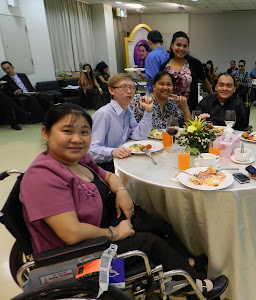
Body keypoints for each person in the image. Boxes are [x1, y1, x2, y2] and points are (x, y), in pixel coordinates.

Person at [19, 103, 229, 299]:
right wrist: (114, 233)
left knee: (152, 221)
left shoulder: (78, 160)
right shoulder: (43, 178)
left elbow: (108, 176)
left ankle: (184, 263)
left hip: (97, 224)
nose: (77, 139)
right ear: (46, 133)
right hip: (79, 253)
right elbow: (71, 233)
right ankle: (193, 287)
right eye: (67, 131)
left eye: (84, 132)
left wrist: (121, 191)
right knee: (149, 241)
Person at [88, 73, 153, 172]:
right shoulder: (104, 114)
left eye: (132, 87)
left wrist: (148, 111)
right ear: (111, 90)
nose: (129, 91)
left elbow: (138, 136)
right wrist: (112, 152)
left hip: (122, 160)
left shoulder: (128, 111)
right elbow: (90, 150)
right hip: (103, 167)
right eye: (123, 87)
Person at [160, 31, 213, 111]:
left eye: (185, 46)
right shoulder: (164, 66)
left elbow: (205, 82)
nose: (181, 49)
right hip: (167, 111)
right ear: (172, 45)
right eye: (178, 45)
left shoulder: (195, 64)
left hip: (189, 111)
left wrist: (213, 100)